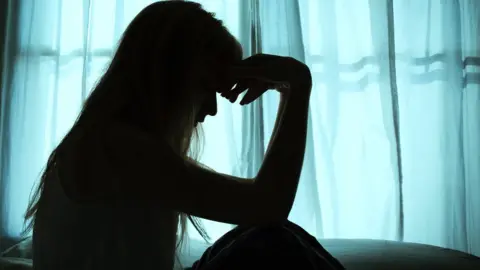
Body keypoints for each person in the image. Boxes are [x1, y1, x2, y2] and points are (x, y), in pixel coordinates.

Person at [23, 1, 344, 270]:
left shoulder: (108, 143)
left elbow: (263, 210)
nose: (211, 110)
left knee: (266, 235)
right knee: (273, 241)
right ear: (169, 79)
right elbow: (267, 205)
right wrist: (296, 88)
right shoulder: (117, 149)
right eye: (207, 87)